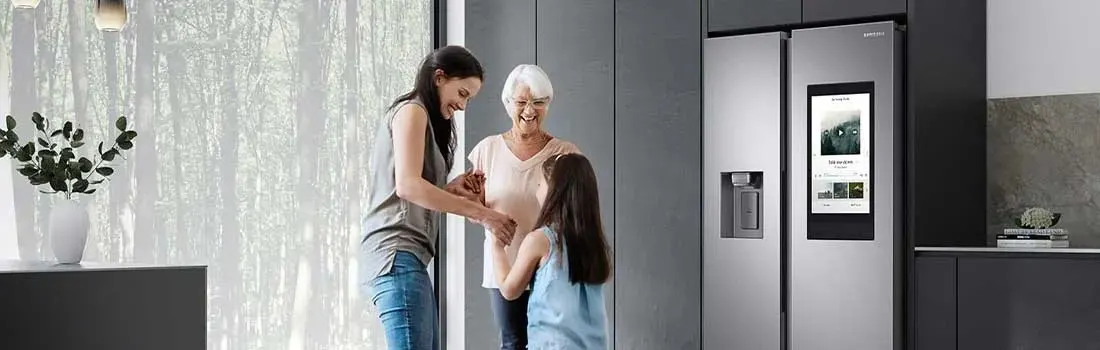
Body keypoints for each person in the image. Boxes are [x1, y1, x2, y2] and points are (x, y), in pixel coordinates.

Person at [361, 45, 517, 350]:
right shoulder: (412, 111)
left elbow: (406, 194)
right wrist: (485, 214)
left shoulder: (421, 117)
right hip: (396, 256)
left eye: (468, 98)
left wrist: (450, 189)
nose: (462, 105)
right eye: (462, 93)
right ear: (439, 78)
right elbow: (407, 186)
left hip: (405, 259)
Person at [467, 64, 581, 349]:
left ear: (548, 105)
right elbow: (475, 213)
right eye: (521, 102)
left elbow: (579, 210)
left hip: (551, 268)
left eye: (539, 102)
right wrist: (478, 207)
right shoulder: (487, 149)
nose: (530, 111)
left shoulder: (565, 153)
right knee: (513, 342)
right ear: (508, 104)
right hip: (504, 265)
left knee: (552, 343)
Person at [490, 153, 611, 350]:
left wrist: (496, 247)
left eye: (539, 184)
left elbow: (509, 289)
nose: (536, 189)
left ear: (554, 191)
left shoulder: (541, 240)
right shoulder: (592, 243)